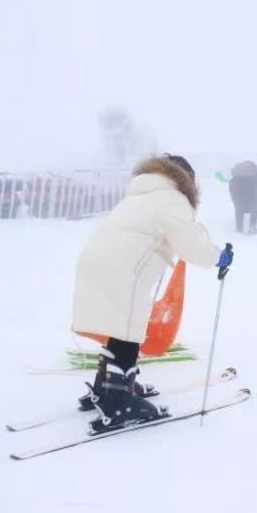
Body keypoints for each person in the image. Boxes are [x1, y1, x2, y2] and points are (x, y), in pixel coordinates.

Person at [71, 154, 229, 432]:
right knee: (128, 328)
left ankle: (109, 385)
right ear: (186, 180)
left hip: (95, 261)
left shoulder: (139, 195)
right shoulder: (172, 199)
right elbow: (192, 243)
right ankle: (119, 400)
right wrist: (219, 258)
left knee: (118, 325)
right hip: (123, 268)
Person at [228, 160, 257, 234]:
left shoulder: (235, 178)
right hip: (252, 198)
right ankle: (252, 227)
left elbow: (232, 189)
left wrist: (234, 199)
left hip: (239, 200)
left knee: (239, 211)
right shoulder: (255, 177)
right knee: (254, 210)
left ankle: (239, 229)